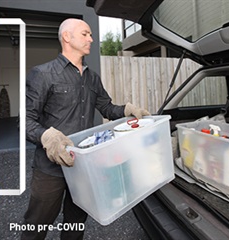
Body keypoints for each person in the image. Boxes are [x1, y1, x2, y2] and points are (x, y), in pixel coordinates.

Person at [23, 18, 150, 240]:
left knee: (76, 222)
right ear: (67, 37)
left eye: (91, 34)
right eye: (85, 34)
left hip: (82, 166)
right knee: (36, 224)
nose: (91, 39)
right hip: (49, 169)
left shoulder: (92, 78)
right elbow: (25, 120)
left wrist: (128, 110)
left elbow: (107, 108)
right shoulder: (42, 74)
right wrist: (45, 135)